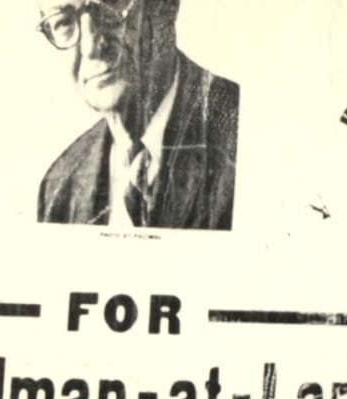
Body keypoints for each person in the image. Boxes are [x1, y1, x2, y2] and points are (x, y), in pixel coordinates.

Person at [36, 0, 237, 230]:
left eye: (109, 6)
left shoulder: (246, 133)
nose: (91, 46)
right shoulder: (58, 188)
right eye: (63, 22)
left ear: (167, 6)